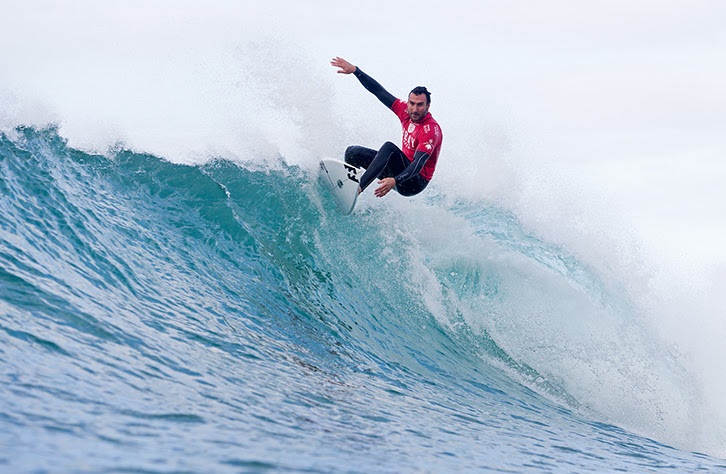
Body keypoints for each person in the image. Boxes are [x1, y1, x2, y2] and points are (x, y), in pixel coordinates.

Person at [330, 57, 443, 198]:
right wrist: (355, 71)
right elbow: (379, 91)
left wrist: (395, 180)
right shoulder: (405, 111)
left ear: (427, 106)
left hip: (414, 182)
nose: (414, 109)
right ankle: (348, 187)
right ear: (408, 102)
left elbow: (419, 164)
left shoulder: (430, 130)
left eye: (420, 105)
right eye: (412, 103)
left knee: (389, 148)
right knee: (353, 153)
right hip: (398, 172)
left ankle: (357, 190)